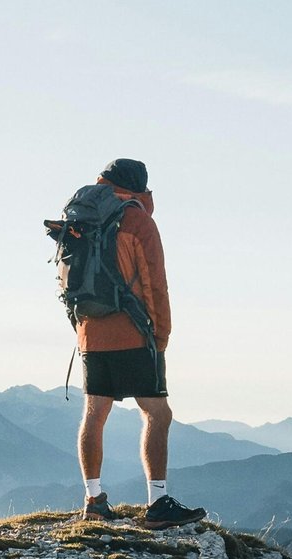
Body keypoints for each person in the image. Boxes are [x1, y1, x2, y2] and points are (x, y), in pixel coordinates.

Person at [75, 158, 207, 529]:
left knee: (94, 413)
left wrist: (83, 329)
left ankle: (93, 500)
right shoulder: (136, 220)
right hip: (133, 331)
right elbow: (155, 285)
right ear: (140, 188)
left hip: (90, 332)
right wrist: (160, 335)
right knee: (157, 414)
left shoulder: (84, 217)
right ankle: (158, 502)